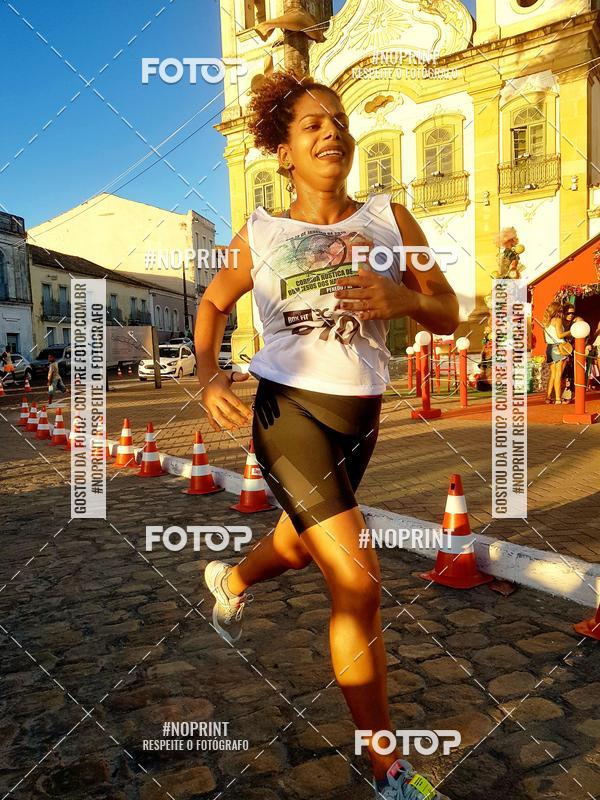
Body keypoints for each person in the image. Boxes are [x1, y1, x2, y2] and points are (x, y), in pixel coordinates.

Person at [195, 71, 458, 800]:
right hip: (289, 414)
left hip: (361, 416)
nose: (330, 133)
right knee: (356, 578)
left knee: (301, 538)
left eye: (337, 121)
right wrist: (210, 375)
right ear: (283, 152)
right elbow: (214, 304)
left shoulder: (390, 220)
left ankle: (233, 578)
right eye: (310, 125)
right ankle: (388, 768)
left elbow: (448, 310)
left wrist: (403, 295)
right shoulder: (263, 233)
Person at [543, 301, 570, 403]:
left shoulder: (546, 321)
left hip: (549, 347)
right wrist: (571, 331)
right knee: (558, 374)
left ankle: (548, 397)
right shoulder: (557, 320)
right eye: (561, 310)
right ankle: (558, 398)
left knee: (553, 374)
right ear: (558, 311)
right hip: (558, 347)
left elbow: (545, 339)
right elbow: (559, 335)